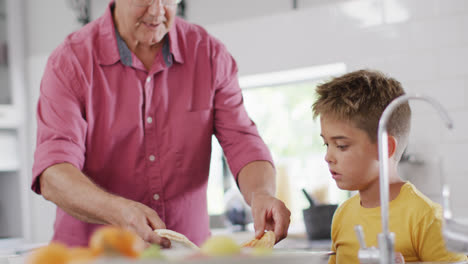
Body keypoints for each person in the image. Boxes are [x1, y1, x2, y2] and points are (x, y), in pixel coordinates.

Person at [32, 0, 291, 248]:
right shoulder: (70, 61)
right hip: (90, 256)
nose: (157, 11)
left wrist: (261, 193)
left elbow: (242, 141)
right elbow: (54, 173)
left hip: (186, 257)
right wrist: (117, 211)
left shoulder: (209, 54)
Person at [311, 70, 467, 263]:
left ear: (384, 148)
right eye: (327, 144)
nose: (328, 157)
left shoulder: (427, 219)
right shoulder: (343, 215)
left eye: (342, 146)